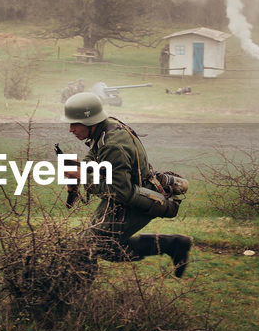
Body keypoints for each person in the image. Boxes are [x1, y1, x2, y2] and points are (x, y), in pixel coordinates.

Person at [62, 91, 192, 277]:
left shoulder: (112, 144)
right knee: (94, 244)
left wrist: (83, 177)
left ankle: (76, 292)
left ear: (90, 122)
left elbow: (120, 192)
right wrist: (80, 168)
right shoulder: (105, 127)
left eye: (75, 123)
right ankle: (173, 245)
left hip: (137, 198)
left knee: (92, 246)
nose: (70, 129)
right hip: (129, 191)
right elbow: (96, 154)